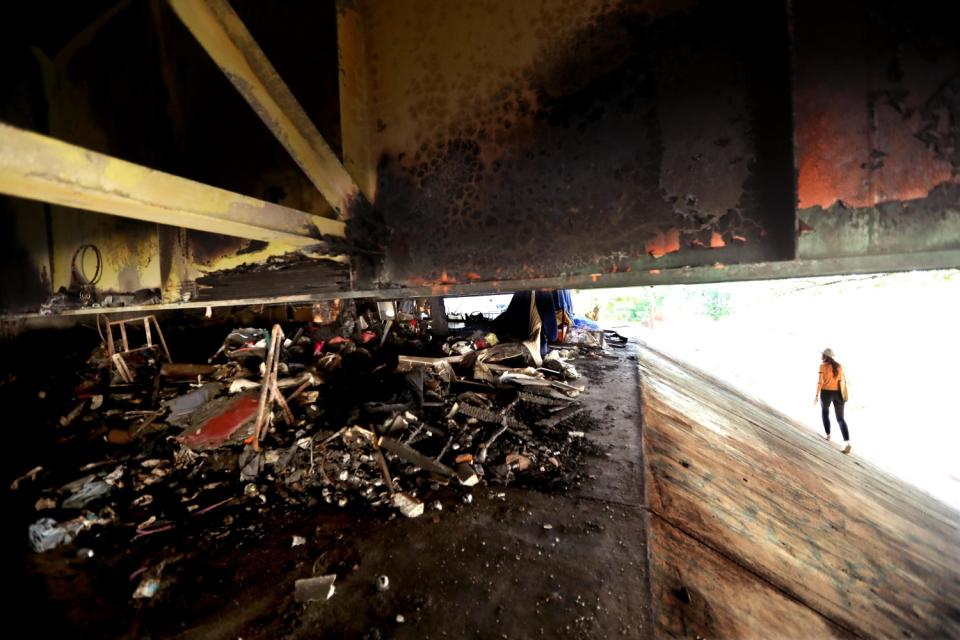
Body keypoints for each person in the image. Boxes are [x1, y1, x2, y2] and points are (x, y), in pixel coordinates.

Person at [814, 348, 851, 453]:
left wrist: (816, 395)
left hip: (826, 393)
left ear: (825, 356)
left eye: (822, 355)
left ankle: (828, 435)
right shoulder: (839, 366)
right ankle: (847, 442)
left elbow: (820, 383)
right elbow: (842, 381)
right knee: (840, 419)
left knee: (825, 413)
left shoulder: (822, 366)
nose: (821, 356)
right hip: (839, 394)